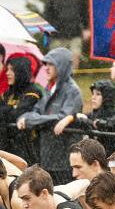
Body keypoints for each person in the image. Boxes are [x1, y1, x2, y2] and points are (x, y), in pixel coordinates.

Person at [16, 47, 82, 184]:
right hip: (46, 156)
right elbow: (35, 112)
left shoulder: (72, 91)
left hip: (64, 160)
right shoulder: (49, 88)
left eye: (51, 64)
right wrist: (28, 118)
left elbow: (62, 117)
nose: (46, 68)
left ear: (61, 66)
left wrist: (29, 120)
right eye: (45, 64)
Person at [0, 55, 42, 158]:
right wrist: (10, 109)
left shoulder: (33, 92)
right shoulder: (8, 93)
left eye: (11, 70)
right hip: (5, 145)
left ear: (20, 71)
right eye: (7, 69)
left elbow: (17, 115)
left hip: (26, 147)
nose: (7, 73)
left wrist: (4, 112)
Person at [43, 0, 88, 69]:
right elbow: (47, 14)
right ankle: (57, 80)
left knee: (75, 55)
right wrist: (48, 29)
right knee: (56, 59)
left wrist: (86, 28)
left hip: (74, 34)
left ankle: (71, 78)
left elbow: (84, 13)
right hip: (57, 35)